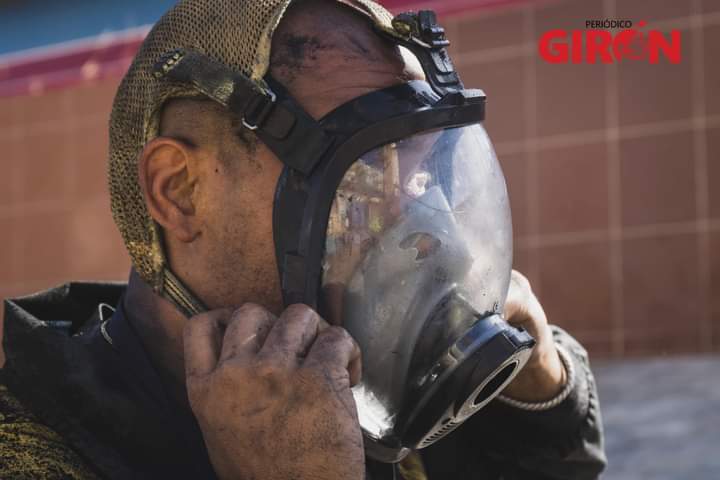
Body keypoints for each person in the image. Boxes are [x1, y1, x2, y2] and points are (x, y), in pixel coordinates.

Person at [0, 0, 606, 479]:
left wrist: (541, 389)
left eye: (419, 172)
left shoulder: (366, 382)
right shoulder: (31, 445)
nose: (414, 225)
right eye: (363, 176)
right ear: (179, 191)